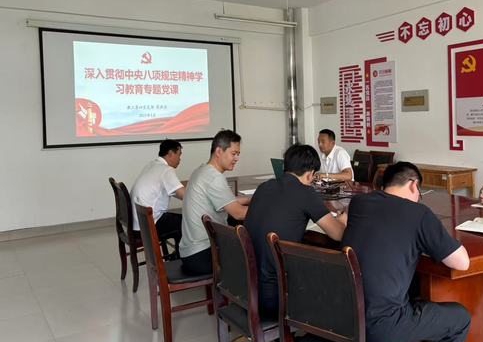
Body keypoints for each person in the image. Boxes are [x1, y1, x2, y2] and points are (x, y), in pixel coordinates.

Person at [342, 162, 471, 342]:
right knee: (460, 319)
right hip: (381, 328)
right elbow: (462, 262)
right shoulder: (418, 213)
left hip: (343, 318)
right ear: (413, 185)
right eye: (419, 191)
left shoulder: (359, 202)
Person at [244, 144, 347, 317]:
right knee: (334, 273)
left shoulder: (264, 187)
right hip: (275, 296)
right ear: (310, 174)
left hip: (247, 287)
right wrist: (342, 219)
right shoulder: (306, 193)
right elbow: (338, 234)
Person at [180, 130, 250, 275]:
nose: (237, 158)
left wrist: (250, 199)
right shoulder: (214, 177)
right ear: (219, 151)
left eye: (238, 154)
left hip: (191, 251)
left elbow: (227, 200)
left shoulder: (202, 171)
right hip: (202, 254)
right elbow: (238, 213)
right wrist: (268, 208)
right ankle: (243, 289)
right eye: (233, 153)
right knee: (255, 251)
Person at [130, 139, 184, 249]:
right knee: (186, 222)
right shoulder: (166, 170)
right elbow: (184, 196)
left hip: (137, 222)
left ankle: (179, 254)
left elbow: (174, 186)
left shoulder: (152, 164)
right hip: (148, 226)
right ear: (170, 153)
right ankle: (183, 256)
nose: (180, 159)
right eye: (179, 155)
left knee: (176, 219)